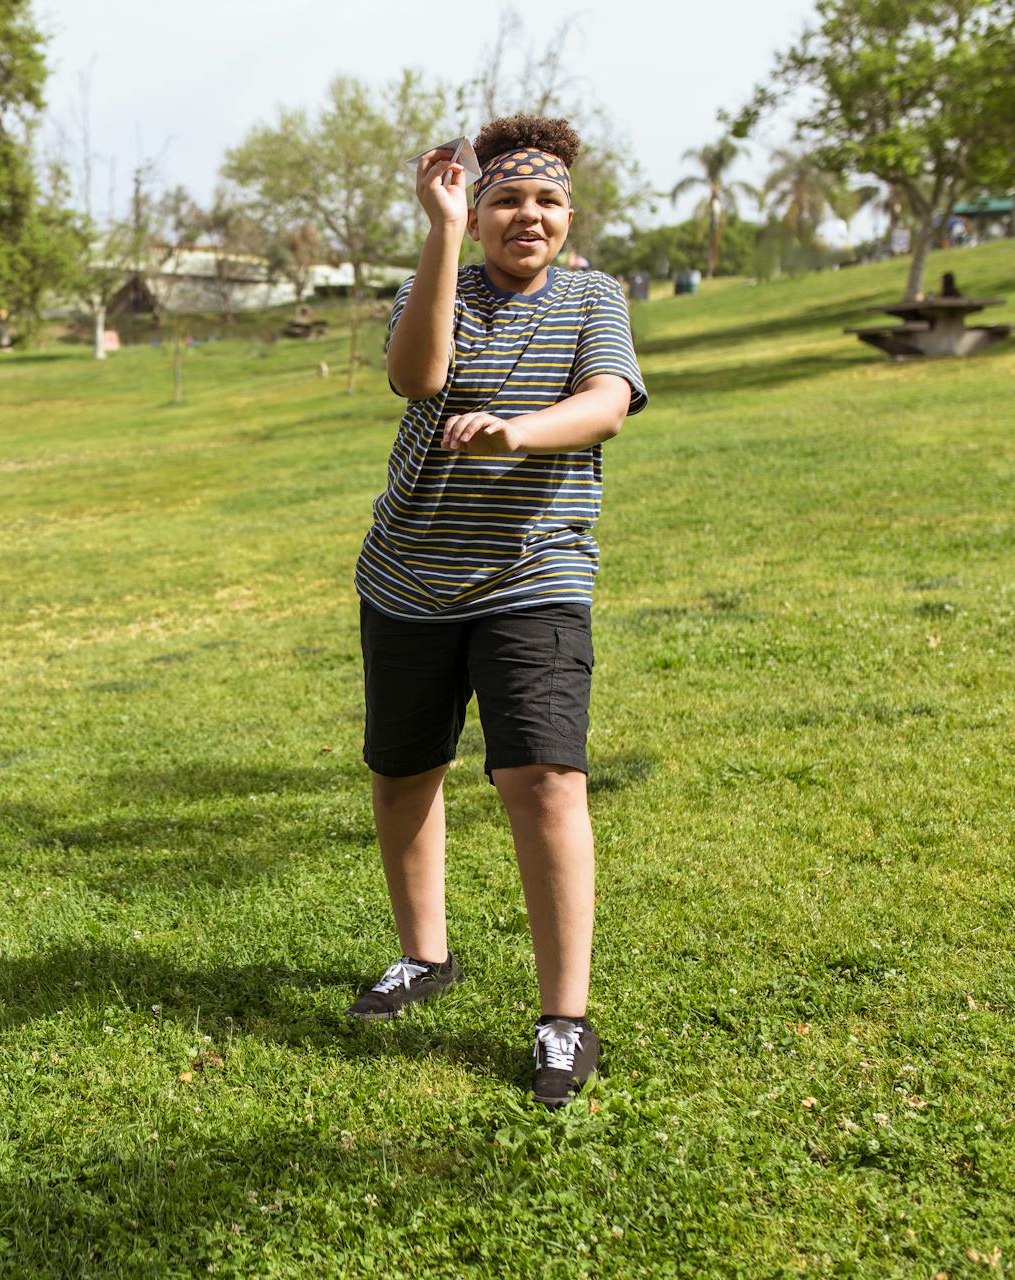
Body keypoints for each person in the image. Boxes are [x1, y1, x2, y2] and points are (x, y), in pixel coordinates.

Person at [350, 116, 647, 1109]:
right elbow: (416, 377)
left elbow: (606, 402)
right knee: (404, 770)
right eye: (508, 199)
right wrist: (437, 234)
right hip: (409, 573)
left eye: (548, 200)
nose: (530, 214)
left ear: (570, 214)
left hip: (536, 571)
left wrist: (516, 435)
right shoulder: (443, 279)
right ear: (477, 212)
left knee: (547, 778)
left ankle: (565, 1018)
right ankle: (423, 955)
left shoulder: (595, 298)